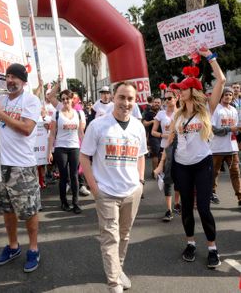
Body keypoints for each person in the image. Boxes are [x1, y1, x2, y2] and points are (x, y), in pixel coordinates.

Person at [80, 81, 147, 293]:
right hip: (106, 193)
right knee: (111, 238)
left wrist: (141, 183)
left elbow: (141, 156)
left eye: (130, 99)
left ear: (134, 102)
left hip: (131, 192)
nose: (125, 103)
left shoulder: (138, 126)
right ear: (113, 98)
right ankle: (114, 283)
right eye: (122, 97)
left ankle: (118, 270)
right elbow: (84, 156)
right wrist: (95, 189)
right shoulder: (98, 125)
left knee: (125, 235)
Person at [0, 63, 42, 273]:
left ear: (24, 81)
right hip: (0, 164)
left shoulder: (31, 100)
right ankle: (13, 246)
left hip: (22, 166)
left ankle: (33, 249)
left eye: (15, 77)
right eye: (8, 76)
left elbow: (26, 128)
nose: (10, 80)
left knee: (29, 211)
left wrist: (1, 114)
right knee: (7, 209)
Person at [169, 48, 226, 268]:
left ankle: (212, 247)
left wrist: (209, 57)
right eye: (179, 90)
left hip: (203, 165)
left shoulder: (207, 110)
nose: (179, 92)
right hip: (182, 166)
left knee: (203, 208)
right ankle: (190, 243)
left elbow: (220, 79)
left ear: (194, 90)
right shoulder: (177, 114)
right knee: (185, 208)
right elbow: (171, 140)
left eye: (183, 89)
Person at [47, 89, 86, 214]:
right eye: (63, 99)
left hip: (74, 147)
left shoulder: (79, 114)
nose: (65, 101)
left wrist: (86, 149)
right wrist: (49, 151)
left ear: (72, 99)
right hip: (60, 148)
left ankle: (76, 203)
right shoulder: (56, 114)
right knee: (63, 176)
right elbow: (52, 134)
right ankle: (64, 202)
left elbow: (81, 133)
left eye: (67, 99)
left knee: (74, 175)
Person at [210, 86, 241, 206]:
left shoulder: (233, 110)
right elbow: (213, 129)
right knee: (214, 173)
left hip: (232, 148)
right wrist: (230, 129)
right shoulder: (216, 110)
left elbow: (236, 128)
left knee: (236, 173)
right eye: (226, 94)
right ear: (221, 96)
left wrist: (237, 130)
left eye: (230, 94)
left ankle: (239, 197)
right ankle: (212, 192)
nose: (228, 96)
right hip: (217, 149)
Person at [152, 90, 180, 221]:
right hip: (165, 147)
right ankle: (169, 210)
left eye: (170, 98)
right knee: (167, 179)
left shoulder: (181, 113)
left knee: (180, 178)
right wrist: (164, 135)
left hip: (180, 148)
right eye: (166, 98)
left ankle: (177, 204)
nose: (167, 100)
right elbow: (153, 132)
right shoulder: (160, 114)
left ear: (176, 98)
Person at [142, 97, 162, 173]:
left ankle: (160, 171)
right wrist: (152, 121)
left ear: (161, 104)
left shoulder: (162, 113)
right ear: (152, 103)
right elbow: (144, 123)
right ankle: (154, 172)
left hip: (162, 136)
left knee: (162, 154)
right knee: (155, 154)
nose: (156, 104)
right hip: (153, 137)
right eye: (155, 102)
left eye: (158, 103)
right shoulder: (149, 113)